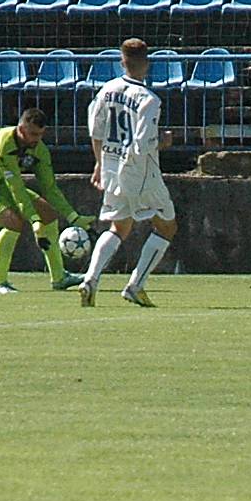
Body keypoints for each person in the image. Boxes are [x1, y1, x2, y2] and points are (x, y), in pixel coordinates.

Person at [78, 38, 177, 308]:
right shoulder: (148, 99)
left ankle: (90, 279)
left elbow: (95, 131)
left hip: (111, 167)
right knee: (166, 226)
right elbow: (144, 142)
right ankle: (135, 285)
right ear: (147, 63)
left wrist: (99, 163)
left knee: (119, 227)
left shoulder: (106, 90)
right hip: (141, 172)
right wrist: (163, 141)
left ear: (122, 61)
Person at [0, 107, 96, 294]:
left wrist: (73, 217)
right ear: (21, 129)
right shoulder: (3, 145)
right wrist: (34, 221)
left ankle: (59, 277)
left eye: (40, 134)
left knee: (48, 214)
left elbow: (50, 188)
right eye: (32, 134)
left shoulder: (39, 150)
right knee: (14, 222)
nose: (36, 139)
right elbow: (16, 188)